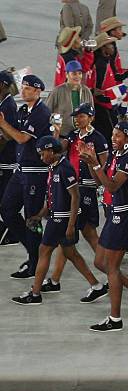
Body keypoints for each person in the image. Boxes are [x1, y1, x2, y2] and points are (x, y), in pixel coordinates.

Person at [11, 136, 105, 307]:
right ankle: (96, 285)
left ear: (52, 151)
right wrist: (39, 215)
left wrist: (71, 225)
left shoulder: (64, 169)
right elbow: (52, 198)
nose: (41, 158)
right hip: (57, 217)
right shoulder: (53, 168)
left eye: (42, 154)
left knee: (44, 250)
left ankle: (35, 293)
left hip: (61, 219)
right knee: (71, 254)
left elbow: (75, 197)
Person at [79, 121, 128, 331]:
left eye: (118, 135)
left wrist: (95, 164)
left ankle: (115, 319)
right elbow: (99, 181)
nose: (114, 138)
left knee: (111, 267)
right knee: (100, 262)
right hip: (114, 215)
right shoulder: (117, 154)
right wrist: (89, 161)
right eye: (113, 134)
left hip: (123, 217)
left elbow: (112, 186)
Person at [42, 103, 109, 300]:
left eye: (81, 116)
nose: (78, 119)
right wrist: (55, 133)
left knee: (89, 233)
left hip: (87, 189)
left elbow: (103, 164)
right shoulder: (73, 135)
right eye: (76, 116)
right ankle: (55, 279)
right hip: (75, 187)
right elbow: (57, 149)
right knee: (69, 238)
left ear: (91, 117)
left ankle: (110, 272)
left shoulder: (98, 139)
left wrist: (100, 181)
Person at [0, 75, 51, 279]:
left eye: (29, 88)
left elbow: (21, 138)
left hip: (36, 173)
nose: (24, 91)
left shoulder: (41, 113)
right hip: (22, 169)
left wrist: (2, 124)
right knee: (7, 209)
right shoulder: (23, 110)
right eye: (23, 87)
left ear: (38, 91)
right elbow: (15, 135)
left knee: (32, 218)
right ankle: (33, 253)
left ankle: (35, 261)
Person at [46, 60, 94, 137]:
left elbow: (92, 113)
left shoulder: (86, 91)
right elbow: (47, 112)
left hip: (81, 136)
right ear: (66, 74)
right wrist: (56, 124)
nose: (77, 76)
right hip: (62, 135)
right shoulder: (57, 91)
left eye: (80, 73)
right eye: (74, 74)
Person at [0, 71, 18, 247]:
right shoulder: (4, 103)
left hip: (6, 161)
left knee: (6, 201)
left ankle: (13, 232)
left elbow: (7, 136)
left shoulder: (8, 107)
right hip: (5, 160)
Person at [92, 32, 119, 143]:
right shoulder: (101, 64)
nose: (113, 47)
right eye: (110, 45)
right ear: (103, 48)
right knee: (110, 135)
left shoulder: (105, 62)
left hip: (107, 105)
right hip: (103, 107)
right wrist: (111, 100)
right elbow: (98, 88)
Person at [99, 17, 128, 83]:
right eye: (120, 29)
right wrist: (126, 73)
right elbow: (114, 74)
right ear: (112, 32)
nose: (122, 32)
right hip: (110, 84)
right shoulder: (109, 48)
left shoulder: (110, 45)